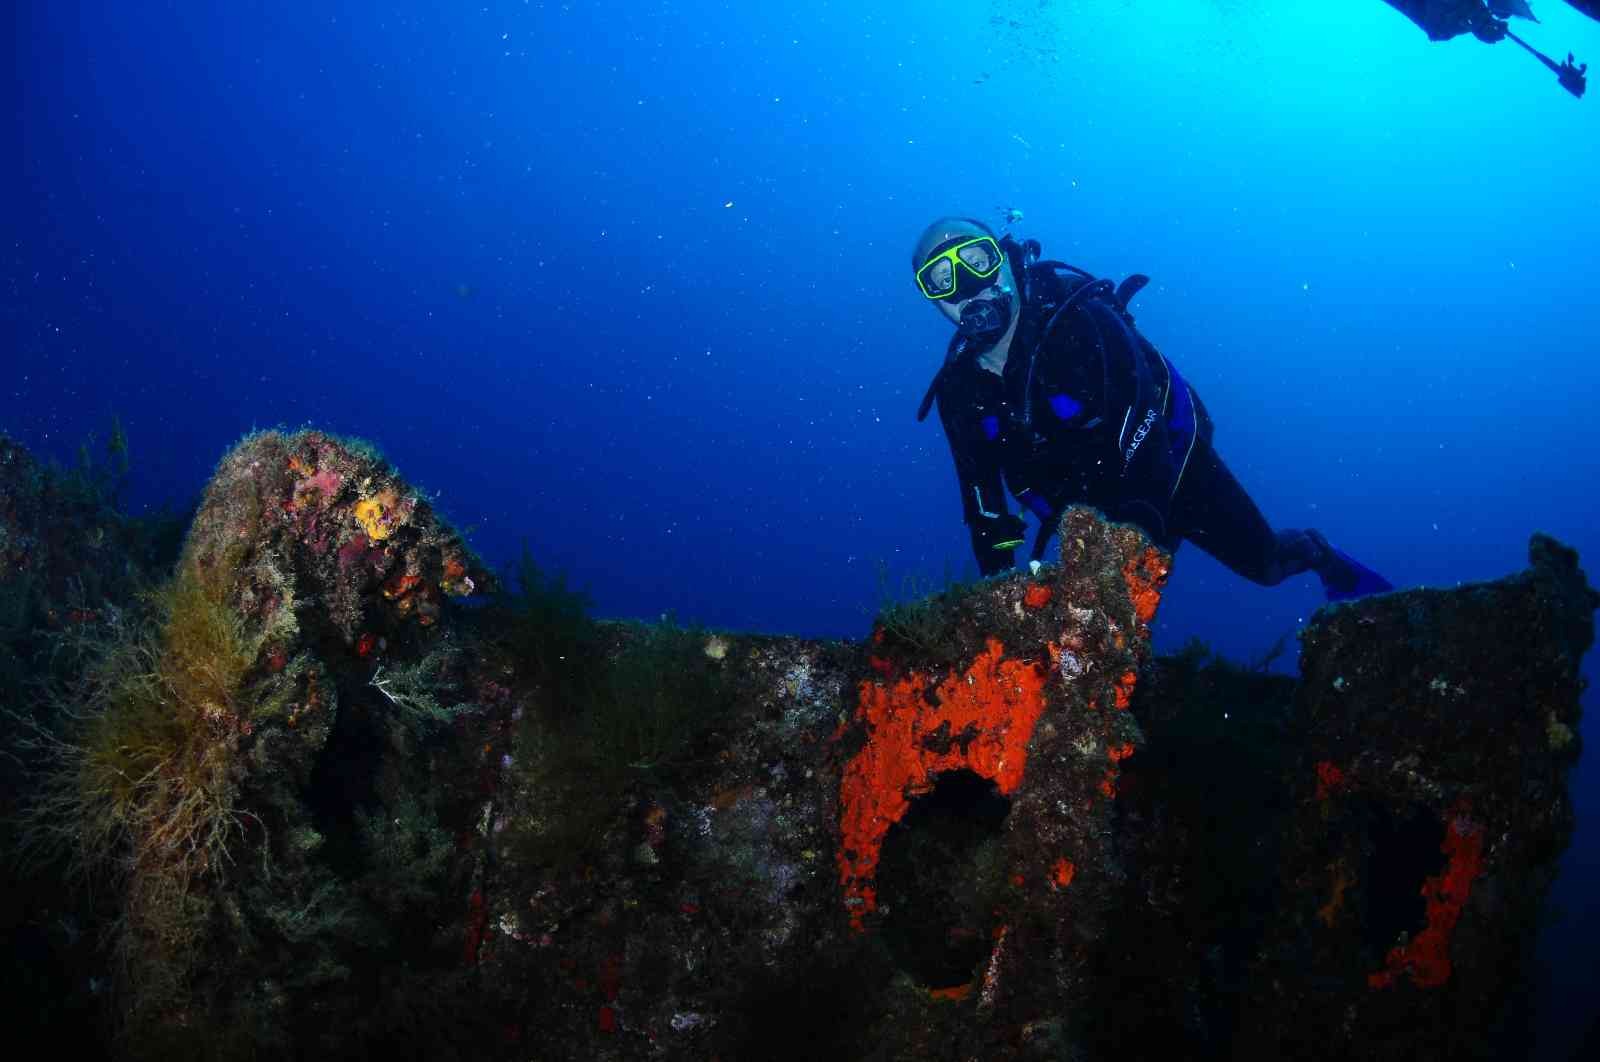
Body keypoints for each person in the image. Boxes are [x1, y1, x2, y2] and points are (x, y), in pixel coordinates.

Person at [910, 216, 1393, 601]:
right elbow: (983, 504)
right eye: (943, 277)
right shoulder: (959, 392)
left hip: (1176, 471)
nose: (968, 285)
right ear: (935, 302)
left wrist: (1136, 537)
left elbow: (1144, 421)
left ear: (1007, 260)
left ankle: (1322, 556)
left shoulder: (1081, 321)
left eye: (977, 259)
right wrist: (1000, 597)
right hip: (1086, 514)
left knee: (1265, 567)